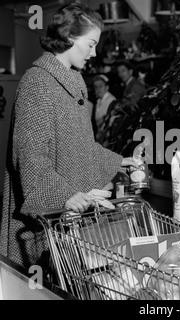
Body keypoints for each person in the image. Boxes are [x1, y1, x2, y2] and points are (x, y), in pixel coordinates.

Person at [0, 3, 141, 271]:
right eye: (90, 44)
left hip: (62, 222)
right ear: (68, 37)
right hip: (40, 228)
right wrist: (63, 196)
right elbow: (29, 158)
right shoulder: (38, 83)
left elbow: (79, 146)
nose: (94, 52)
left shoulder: (69, 80)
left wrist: (120, 161)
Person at [91, 74, 116, 142]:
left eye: (100, 86)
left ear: (107, 87)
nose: (98, 89)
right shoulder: (99, 100)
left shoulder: (110, 100)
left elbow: (109, 124)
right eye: (96, 87)